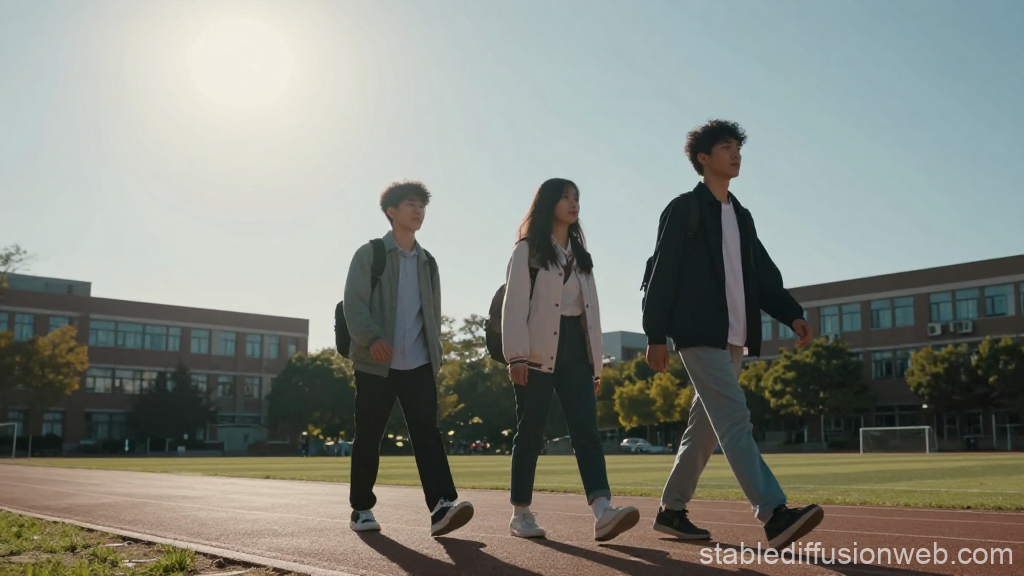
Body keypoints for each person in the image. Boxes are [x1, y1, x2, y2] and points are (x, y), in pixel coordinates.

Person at [642, 120, 824, 551]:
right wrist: (654, 334)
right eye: (726, 147)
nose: (736, 154)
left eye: (738, 147)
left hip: (734, 337)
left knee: (705, 429)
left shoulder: (740, 215)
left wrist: (790, 313)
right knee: (735, 419)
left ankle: (671, 511)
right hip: (698, 333)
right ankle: (774, 513)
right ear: (703, 158)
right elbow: (661, 274)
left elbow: (762, 275)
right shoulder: (684, 208)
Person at [501, 177, 640, 542]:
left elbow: (590, 313)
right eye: (565, 197)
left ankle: (602, 510)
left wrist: (596, 365)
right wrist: (515, 356)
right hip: (534, 352)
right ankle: (521, 512)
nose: (573, 203)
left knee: (586, 431)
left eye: (576, 197)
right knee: (531, 431)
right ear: (549, 203)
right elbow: (514, 305)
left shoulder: (581, 255)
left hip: (575, 351)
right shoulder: (527, 250)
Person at [342, 180, 474, 537]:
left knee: (428, 434)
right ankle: (362, 509)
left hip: (418, 364)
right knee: (369, 436)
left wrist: (437, 355)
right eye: (411, 204)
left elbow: (433, 314)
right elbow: (353, 303)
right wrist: (371, 338)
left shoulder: (428, 262)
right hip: (376, 364)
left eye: (422, 206)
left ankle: (442, 506)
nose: (418, 211)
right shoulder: (370, 254)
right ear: (391, 211)